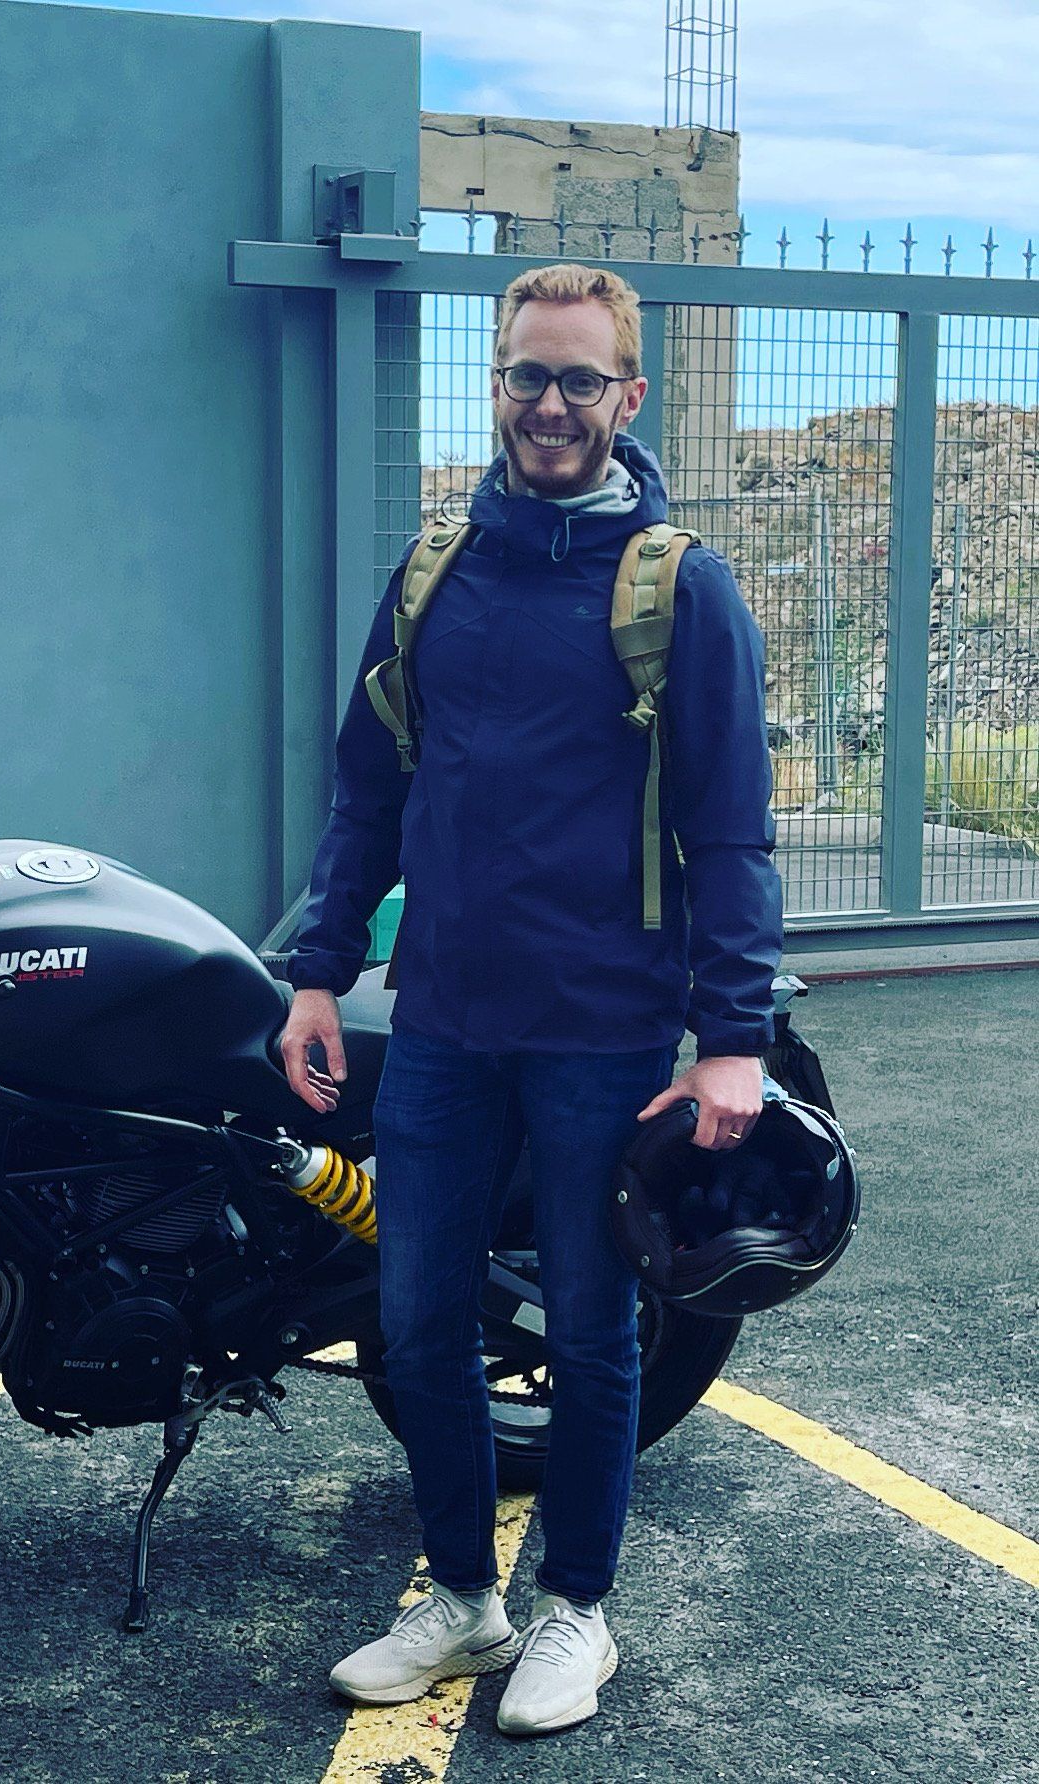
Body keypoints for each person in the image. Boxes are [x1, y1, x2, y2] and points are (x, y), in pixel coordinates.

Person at [276, 263, 782, 1738]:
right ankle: (460, 1599)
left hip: (603, 1031)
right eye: (524, 376)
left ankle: (576, 1610)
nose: (548, 405)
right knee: (416, 1318)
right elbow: (368, 781)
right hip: (439, 1018)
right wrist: (319, 972)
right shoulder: (438, 566)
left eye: (578, 380)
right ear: (494, 387)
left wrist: (732, 1040)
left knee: (593, 1328)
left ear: (628, 397)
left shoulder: (679, 586)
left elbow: (731, 827)